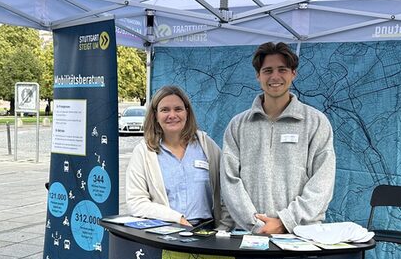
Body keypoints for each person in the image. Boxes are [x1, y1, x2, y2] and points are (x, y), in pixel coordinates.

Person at [221, 41, 335, 234]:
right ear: (258, 75)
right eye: (268, 70)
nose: (275, 76)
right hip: (251, 234)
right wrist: (258, 225)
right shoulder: (237, 125)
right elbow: (229, 180)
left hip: (301, 236)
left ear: (293, 74)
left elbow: (322, 182)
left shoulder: (316, 123)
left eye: (282, 69)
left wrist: (285, 222)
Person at [126, 85, 231, 229]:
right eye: (165, 110)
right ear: (155, 115)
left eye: (178, 109)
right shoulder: (144, 152)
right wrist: (176, 218)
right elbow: (136, 202)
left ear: (187, 112)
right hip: (163, 234)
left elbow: (230, 191)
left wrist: (223, 229)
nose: (172, 115)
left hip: (207, 234)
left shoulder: (206, 145)